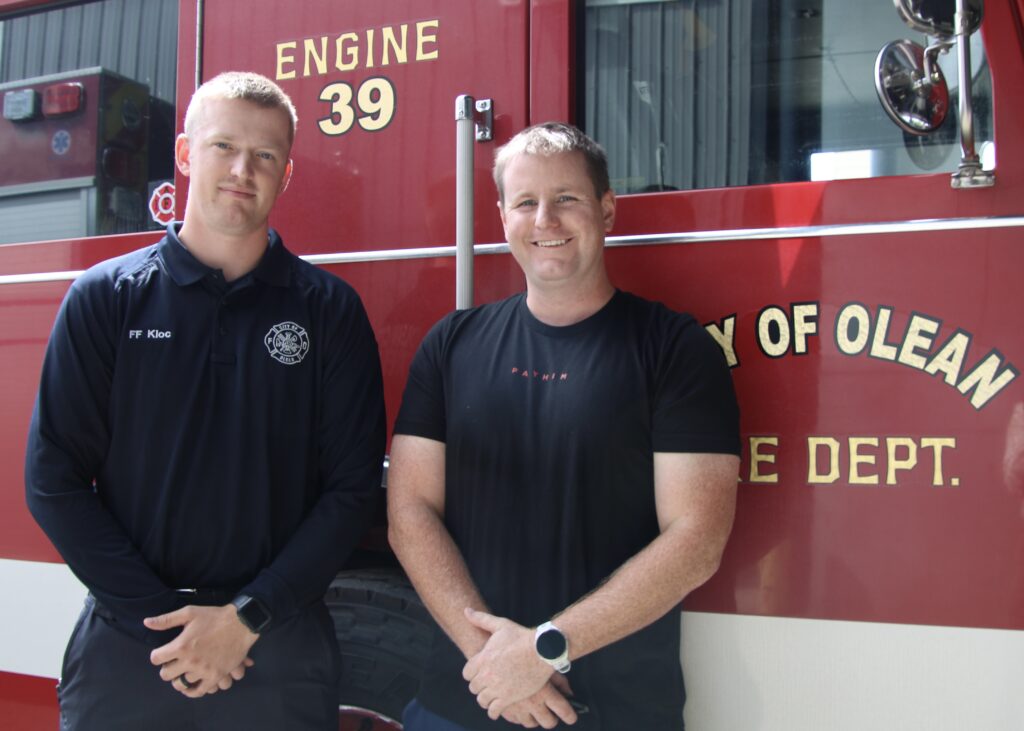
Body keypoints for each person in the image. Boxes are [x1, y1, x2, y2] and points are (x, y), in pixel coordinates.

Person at [24, 71, 386, 730]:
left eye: (266, 155)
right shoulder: (106, 299)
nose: (243, 170)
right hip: (132, 645)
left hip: (277, 647)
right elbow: (53, 481)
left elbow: (352, 490)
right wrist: (163, 622)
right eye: (224, 147)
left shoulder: (330, 311)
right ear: (187, 154)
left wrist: (248, 617)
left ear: (287, 173)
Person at [387, 122, 740, 730]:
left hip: (612, 712)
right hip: (463, 701)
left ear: (606, 209)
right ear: (502, 217)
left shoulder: (675, 349)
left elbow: (696, 541)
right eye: (526, 202)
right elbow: (409, 514)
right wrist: (495, 664)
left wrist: (544, 649)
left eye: (567, 199)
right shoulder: (450, 345)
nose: (545, 219)